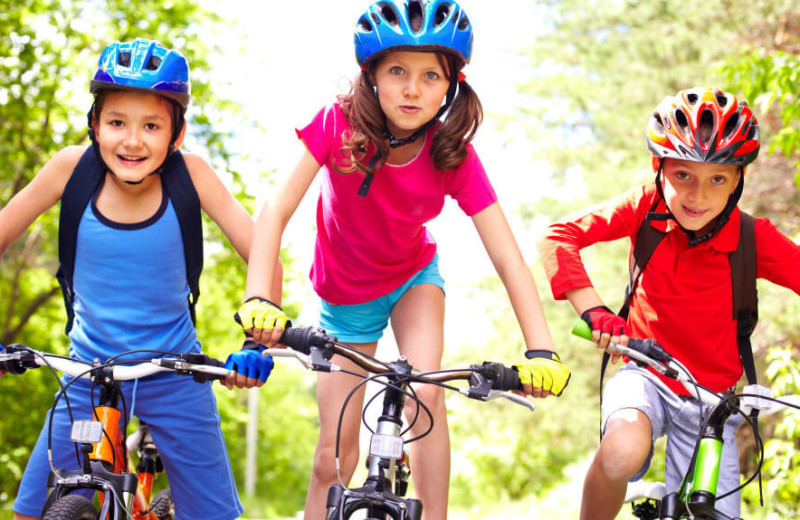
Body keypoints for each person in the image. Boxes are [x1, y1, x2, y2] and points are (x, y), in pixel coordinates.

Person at [235, 1, 571, 518]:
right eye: (397, 71)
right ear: (370, 73)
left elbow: (507, 256)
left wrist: (541, 349)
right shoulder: (337, 123)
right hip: (345, 296)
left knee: (424, 397)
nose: (412, 89)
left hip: (413, 279)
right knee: (334, 457)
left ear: (451, 84)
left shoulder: (450, 150)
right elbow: (274, 211)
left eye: (429, 75)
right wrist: (259, 296)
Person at [0, 38, 278, 520]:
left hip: (175, 373)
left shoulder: (192, 176)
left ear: (177, 133)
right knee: (31, 512)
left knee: (212, 514)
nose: (132, 141)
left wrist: (257, 343)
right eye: (116, 123)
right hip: (88, 372)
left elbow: (264, 256)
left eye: (151, 126)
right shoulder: (71, 170)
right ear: (94, 125)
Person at [539, 86, 800, 520]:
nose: (698, 196)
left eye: (717, 179)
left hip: (713, 401)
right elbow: (558, 237)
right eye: (683, 176)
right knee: (621, 452)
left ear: (737, 180)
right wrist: (595, 312)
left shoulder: (752, 238)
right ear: (658, 169)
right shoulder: (645, 209)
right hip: (647, 373)